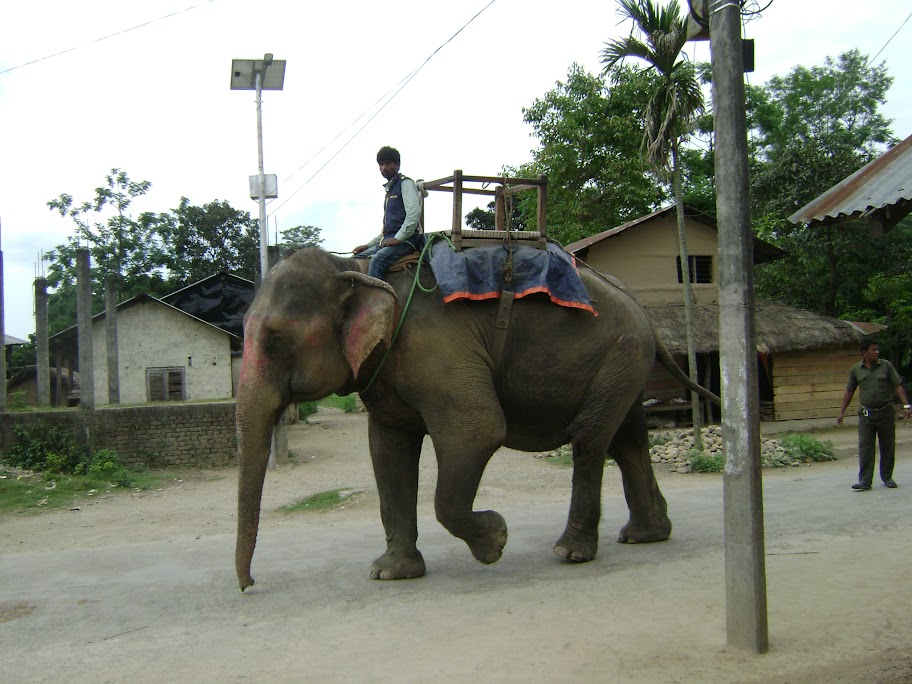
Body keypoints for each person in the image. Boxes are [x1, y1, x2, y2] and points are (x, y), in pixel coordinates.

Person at [837, 339, 911, 490]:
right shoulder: (856, 370)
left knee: (887, 446)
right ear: (865, 353)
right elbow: (849, 391)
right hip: (866, 414)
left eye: (878, 349)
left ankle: (887, 477)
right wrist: (842, 412)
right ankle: (865, 481)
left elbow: (897, 386)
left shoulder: (886, 366)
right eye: (873, 350)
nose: (877, 352)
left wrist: (906, 405)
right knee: (865, 447)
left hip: (885, 412)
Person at [352, 146, 423, 279]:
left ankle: (377, 299)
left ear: (397, 165)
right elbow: (386, 232)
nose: (384, 167)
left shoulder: (405, 184)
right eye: (381, 164)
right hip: (389, 241)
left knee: (377, 261)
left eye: (388, 163)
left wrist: (398, 238)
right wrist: (367, 246)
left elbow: (413, 216)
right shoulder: (389, 190)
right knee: (353, 259)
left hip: (406, 242)